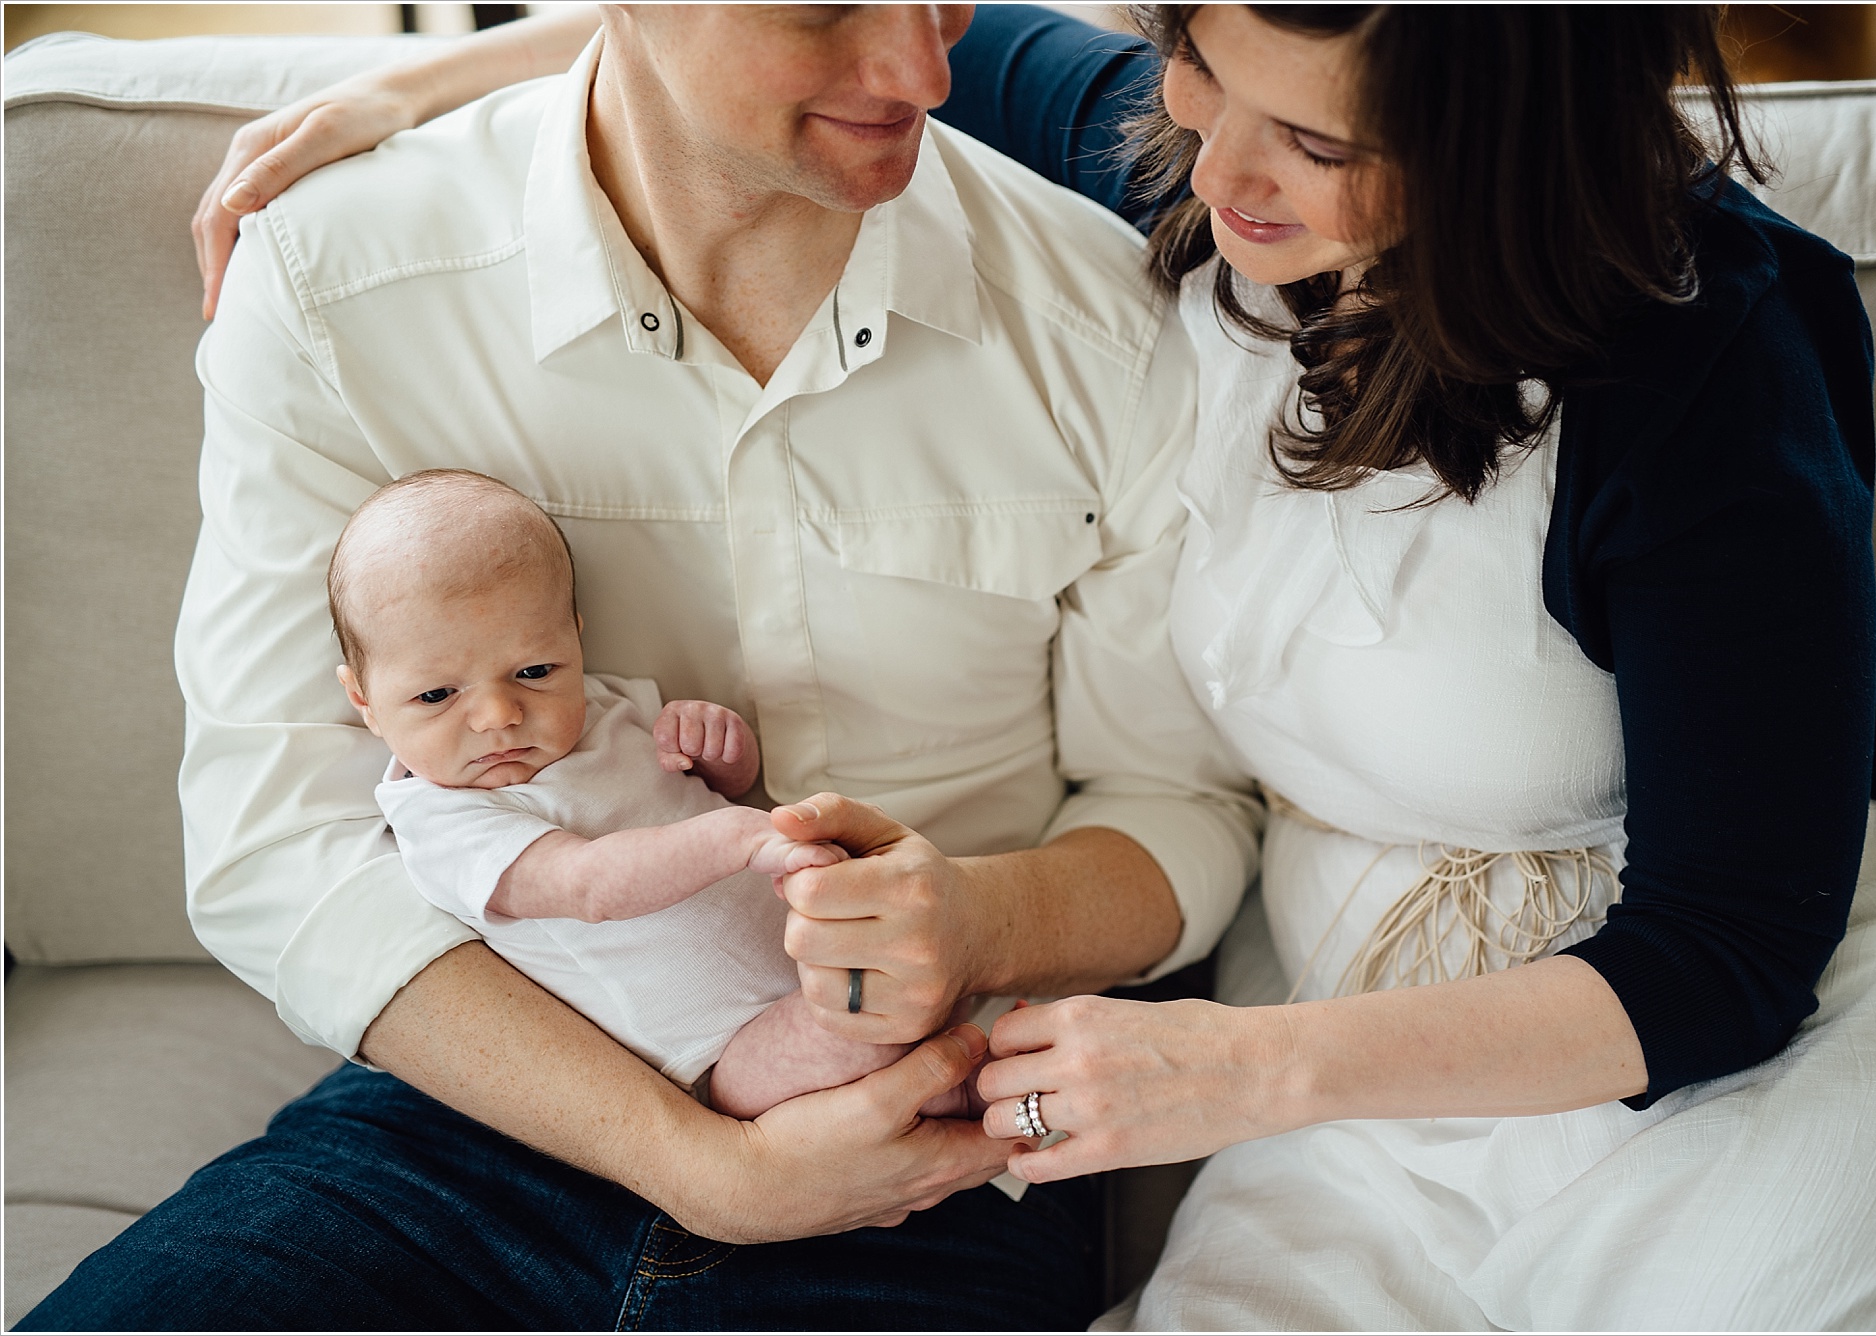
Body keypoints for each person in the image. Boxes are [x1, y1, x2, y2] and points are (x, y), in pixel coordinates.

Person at [174, 3, 1876, 1330]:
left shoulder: (1710, 344)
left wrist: (1223, 1071)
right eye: (1204, 78)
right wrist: (435, 77)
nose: (1212, 175)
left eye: (1323, 148)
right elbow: (809, 67)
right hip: (1355, 1046)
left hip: (1740, 1030)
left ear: (1496, 139)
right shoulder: (1196, 145)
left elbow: (1730, 955)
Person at [23, 6, 1262, 1330]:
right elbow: (278, 838)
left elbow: (1178, 806)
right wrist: (703, 1164)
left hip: (929, 1115)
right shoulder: (338, 282)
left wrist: (980, 920)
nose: (921, 73)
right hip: (487, 1083)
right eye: (827, 7)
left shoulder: (1114, 324)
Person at [330, 467, 979, 1121]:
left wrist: (719, 749)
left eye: (534, 670)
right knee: (861, 1038)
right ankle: (968, 1094)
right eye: (437, 694)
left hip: (813, 953)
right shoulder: (443, 821)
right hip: (721, 1052)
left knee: (911, 975)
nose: (498, 714)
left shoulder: (605, 705)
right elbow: (591, 885)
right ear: (365, 702)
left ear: (575, 639)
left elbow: (720, 787)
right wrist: (739, 838)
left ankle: (979, 1074)